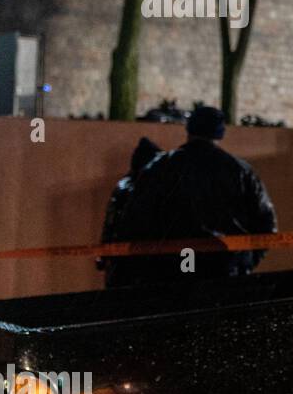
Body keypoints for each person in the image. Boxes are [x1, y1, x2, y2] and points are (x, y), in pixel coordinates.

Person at [114, 106, 277, 285]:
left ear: (189, 128)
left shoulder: (161, 167)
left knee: (184, 306)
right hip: (226, 263)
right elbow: (265, 222)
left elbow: (135, 217)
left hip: (175, 262)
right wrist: (245, 260)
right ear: (220, 133)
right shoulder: (240, 171)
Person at [98, 137, 162, 288]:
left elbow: (110, 222)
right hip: (139, 259)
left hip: (122, 257)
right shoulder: (150, 186)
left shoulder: (124, 185)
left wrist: (104, 253)